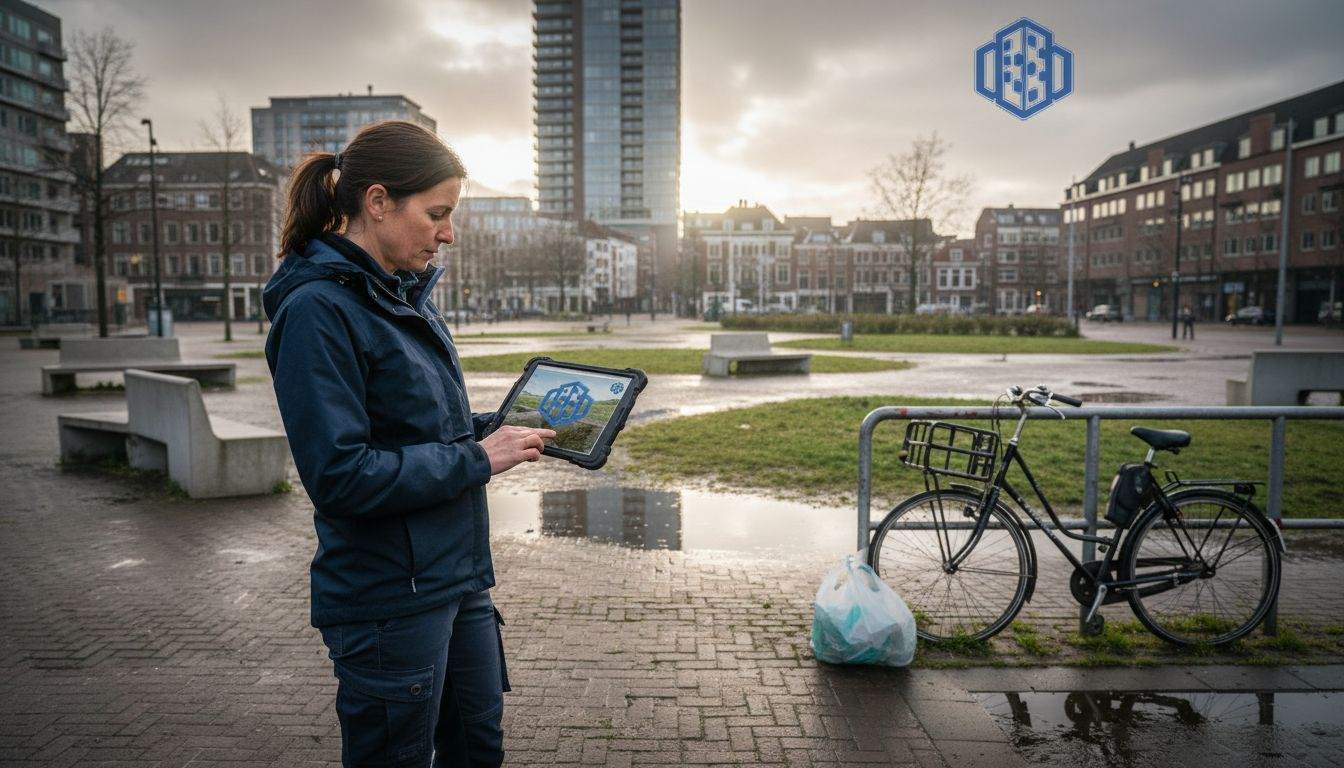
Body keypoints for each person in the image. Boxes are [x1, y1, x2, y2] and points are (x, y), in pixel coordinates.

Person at [262, 120, 554, 767]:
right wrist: (479, 458)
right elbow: (340, 475)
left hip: (458, 579)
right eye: (438, 213)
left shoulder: (405, 295)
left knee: (478, 749)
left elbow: (422, 431)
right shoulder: (317, 312)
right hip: (389, 601)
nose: (448, 233)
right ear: (377, 201)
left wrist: (499, 430)